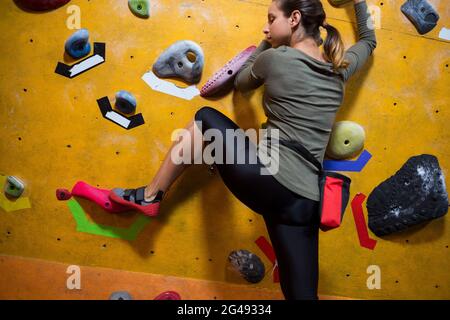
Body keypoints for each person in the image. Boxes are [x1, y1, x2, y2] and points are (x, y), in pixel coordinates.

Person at [109, 0, 377, 299]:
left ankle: (150, 196)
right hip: (305, 204)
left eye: (271, 18)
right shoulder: (340, 70)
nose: (266, 26)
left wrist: (266, 42)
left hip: (267, 179)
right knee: (301, 296)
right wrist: (358, 3)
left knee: (205, 119)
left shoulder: (275, 58)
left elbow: (243, 82)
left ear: (295, 19)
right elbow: (369, 41)